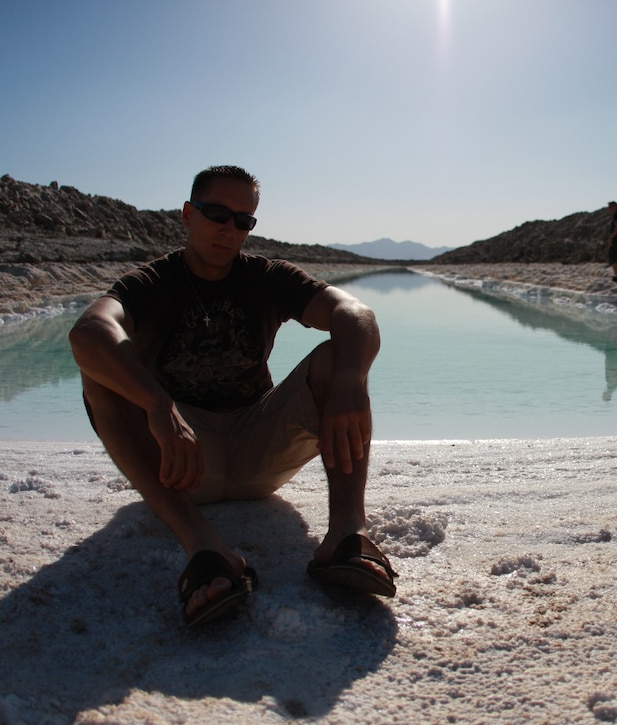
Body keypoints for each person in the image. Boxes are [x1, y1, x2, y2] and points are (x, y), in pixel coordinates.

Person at [69, 165, 397, 627]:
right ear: (187, 214)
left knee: (334, 358)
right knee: (100, 370)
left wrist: (351, 381)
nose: (229, 229)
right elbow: (89, 331)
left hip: (255, 451)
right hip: (181, 460)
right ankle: (206, 548)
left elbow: (354, 311)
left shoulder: (265, 277)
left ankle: (346, 536)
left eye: (243, 221)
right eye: (217, 214)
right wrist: (159, 406)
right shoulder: (153, 281)